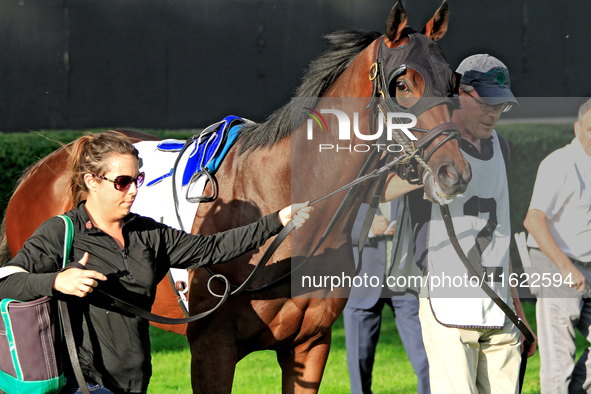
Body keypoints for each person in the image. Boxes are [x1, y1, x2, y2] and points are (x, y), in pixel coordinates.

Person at [0, 131, 312, 394]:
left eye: (139, 179)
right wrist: (56, 282)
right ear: (92, 181)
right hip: (85, 383)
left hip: (136, 383)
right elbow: (6, 281)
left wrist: (277, 221)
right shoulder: (63, 231)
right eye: (122, 182)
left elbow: (211, 248)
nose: (134, 190)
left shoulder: (147, 232)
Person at [404, 54, 536, 393]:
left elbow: (501, 233)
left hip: (498, 305)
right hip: (448, 304)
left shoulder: (502, 149)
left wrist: (517, 309)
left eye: (501, 106)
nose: (494, 113)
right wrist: (424, 176)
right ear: (460, 94)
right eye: (487, 103)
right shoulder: (428, 150)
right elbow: (379, 190)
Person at [523, 98, 591, 393]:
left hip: (587, 266)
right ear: (577, 129)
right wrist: (566, 268)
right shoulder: (559, 163)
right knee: (558, 362)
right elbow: (533, 220)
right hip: (554, 264)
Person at [343, 200, 430, 394]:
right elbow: (333, 226)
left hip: (404, 282)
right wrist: (369, 228)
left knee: (426, 358)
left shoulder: (407, 180)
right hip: (362, 283)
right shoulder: (354, 179)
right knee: (359, 364)